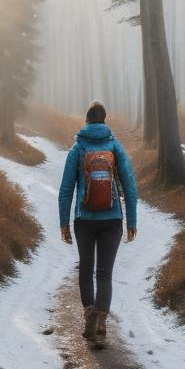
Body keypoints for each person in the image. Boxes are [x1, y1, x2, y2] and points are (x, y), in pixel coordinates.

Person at [58, 101, 138, 348]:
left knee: (86, 269)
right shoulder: (115, 146)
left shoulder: (77, 148)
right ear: (104, 120)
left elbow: (66, 190)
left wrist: (64, 223)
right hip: (112, 219)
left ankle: (89, 316)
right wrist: (131, 221)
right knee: (104, 273)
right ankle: (102, 323)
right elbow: (130, 185)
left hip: (84, 220)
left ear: (86, 120)